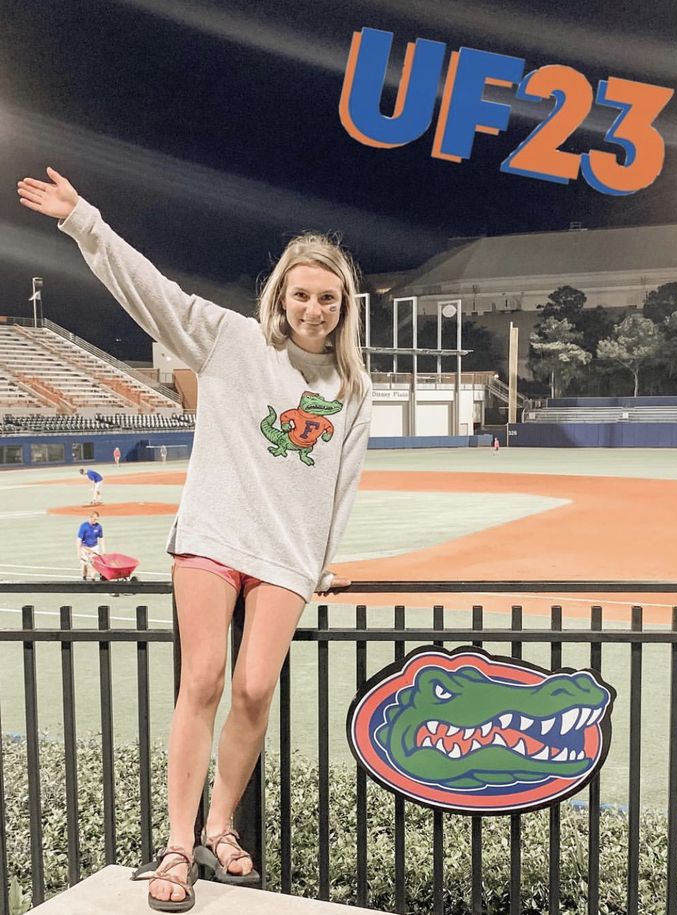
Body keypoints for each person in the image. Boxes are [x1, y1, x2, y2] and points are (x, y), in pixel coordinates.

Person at [18, 167, 372, 912]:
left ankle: (220, 823)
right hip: (213, 533)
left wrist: (321, 564)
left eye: (327, 298)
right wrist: (85, 220)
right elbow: (152, 293)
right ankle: (178, 843)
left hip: (283, 554)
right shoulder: (232, 340)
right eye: (301, 294)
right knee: (205, 677)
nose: (313, 308)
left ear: (344, 309)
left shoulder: (352, 387)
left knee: (253, 687)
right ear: (281, 294)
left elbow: (342, 483)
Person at [76, 510, 105, 580]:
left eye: (97, 519)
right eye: (95, 519)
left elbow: (101, 538)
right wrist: (78, 553)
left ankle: (93, 579)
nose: (96, 521)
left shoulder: (98, 527)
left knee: (94, 564)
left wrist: (103, 550)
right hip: (85, 548)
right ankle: (84, 577)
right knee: (84, 566)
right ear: (90, 518)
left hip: (94, 547)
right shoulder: (84, 526)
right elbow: (79, 540)